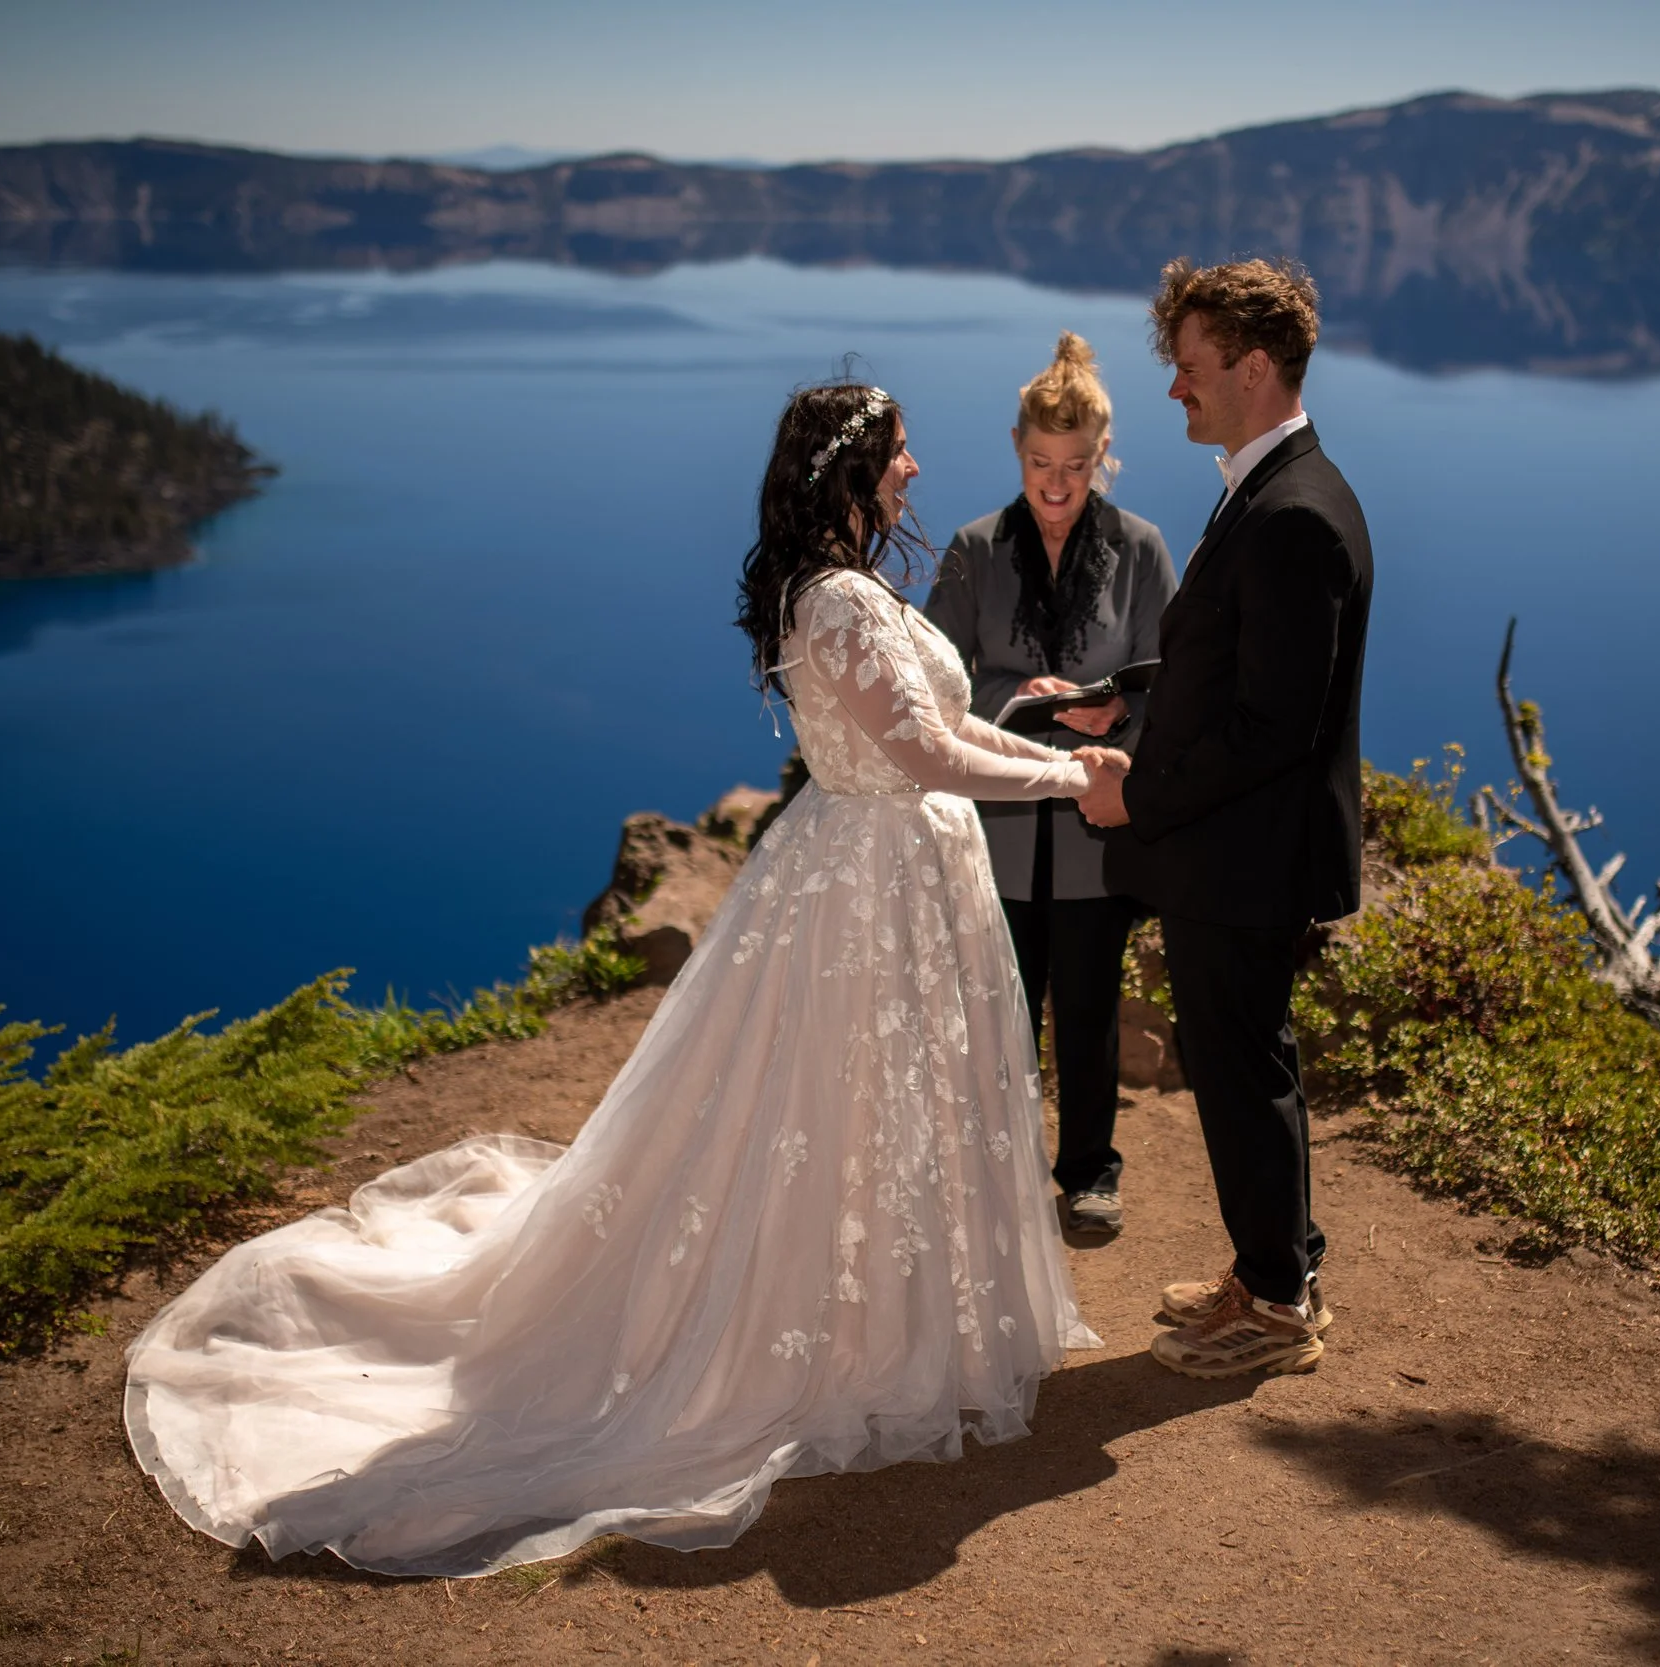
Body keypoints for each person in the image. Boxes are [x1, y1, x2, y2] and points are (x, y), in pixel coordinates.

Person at [124, 383, 1130, 1577]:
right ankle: (843, 1345)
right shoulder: (839, 599)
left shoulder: (850, 591)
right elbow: (915, 752)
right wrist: (1076, 783)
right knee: (834, 1104)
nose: (915, 468)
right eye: (899, 453)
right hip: (869, 889)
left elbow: (946, 729)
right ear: (853, 469)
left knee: (882, 1108)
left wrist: (1062, 747)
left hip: (901, 879)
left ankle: (899, 1330)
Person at [1078, 259, 1375, 1380]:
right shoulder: (1274, 482)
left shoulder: (1295, 512)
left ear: (1253, 368)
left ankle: (1279, 1304)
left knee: (1244, 1065)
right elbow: (1239, 647)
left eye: (1191, 368)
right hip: (1241, 851)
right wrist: (1138, 692)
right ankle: (1270, 1265)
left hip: (1249, 858)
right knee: (1241, 1057)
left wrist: (1134, 792)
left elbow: (1271, 725)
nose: (1174, 391)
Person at [925, 333, 1175, 1237]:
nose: (1058, 484)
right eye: (1040, 464)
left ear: (1101, 457)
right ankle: (999, 1172)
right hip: (991, 832)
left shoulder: (1143, 549)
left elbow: (1172, 681)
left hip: (1093, 829)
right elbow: (932, 686)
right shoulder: (973, 550)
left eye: (1075, 465)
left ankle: (1089, 1172)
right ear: (1018, 452)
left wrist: (1116, 718)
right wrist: (1014, 697)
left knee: (1089, 1008)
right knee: (998, 1011)